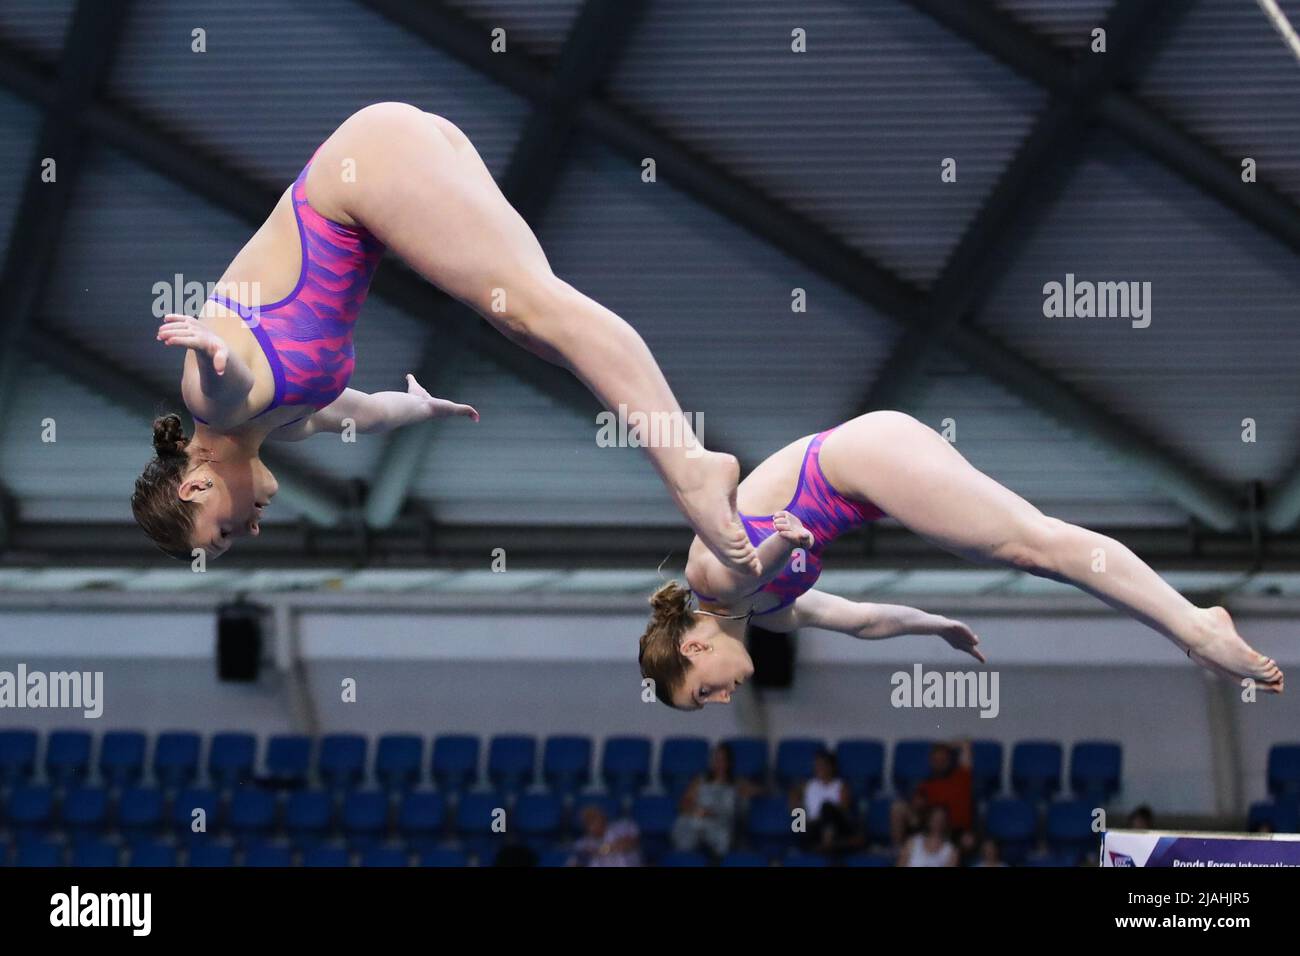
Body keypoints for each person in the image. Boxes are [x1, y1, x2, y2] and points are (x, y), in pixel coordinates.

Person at [133, 102, 756, 573]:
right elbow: (368, 413)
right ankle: (685, 462)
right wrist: (422, 406)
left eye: (221, 533)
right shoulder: (286, 422)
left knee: (534, 312)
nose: (248, 532)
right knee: (538, 323)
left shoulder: (212, 400)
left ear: (196, 486)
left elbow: (225, 381)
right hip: (388, 161)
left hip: (367, 167)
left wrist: (213, 352)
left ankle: (688, 465)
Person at [637, 412, 1283, 710]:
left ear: (693, 651)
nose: (722, 700)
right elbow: (860, 620)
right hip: (870, 483)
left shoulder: (708, 578)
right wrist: (933, 624)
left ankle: (1199, 628)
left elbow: (750, 564)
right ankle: (1193, 629)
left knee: (1038, 544)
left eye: (703, 694)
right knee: (1037, 546)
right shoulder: (769, 620)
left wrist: (786, 542)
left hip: (857, 460)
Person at [671, 743, 742, 858]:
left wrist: (709, 812)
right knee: (683, 823)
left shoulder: (735, 784)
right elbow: (684, 804)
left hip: (720, 827)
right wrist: (695, 810)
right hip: (697, 822)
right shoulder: (701, 780)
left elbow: (729, 811)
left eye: (721, 759)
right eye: (715, 759)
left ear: (729, 762)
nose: (718, 763)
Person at [793, 749, 861, 856]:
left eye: (822, 765)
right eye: (817, 765)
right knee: (799, 825)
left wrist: (827, 816)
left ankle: (828, 843)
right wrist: (798, 809)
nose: (819, 768)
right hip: (815, 826)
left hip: (836, 827)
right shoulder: (809, 785)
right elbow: (793, 796)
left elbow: (845, 810)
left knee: (826, 807)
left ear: (831, 767)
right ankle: (826, 846)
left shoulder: (840, 785)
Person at [568, 805, 642, 867]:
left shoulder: (621, 826)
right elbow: (573, 863)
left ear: (603, 818)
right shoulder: (582, 843)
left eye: (594, 818)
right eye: (588, 822)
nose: (592, 825)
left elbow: (629, 844)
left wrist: (602, 849)